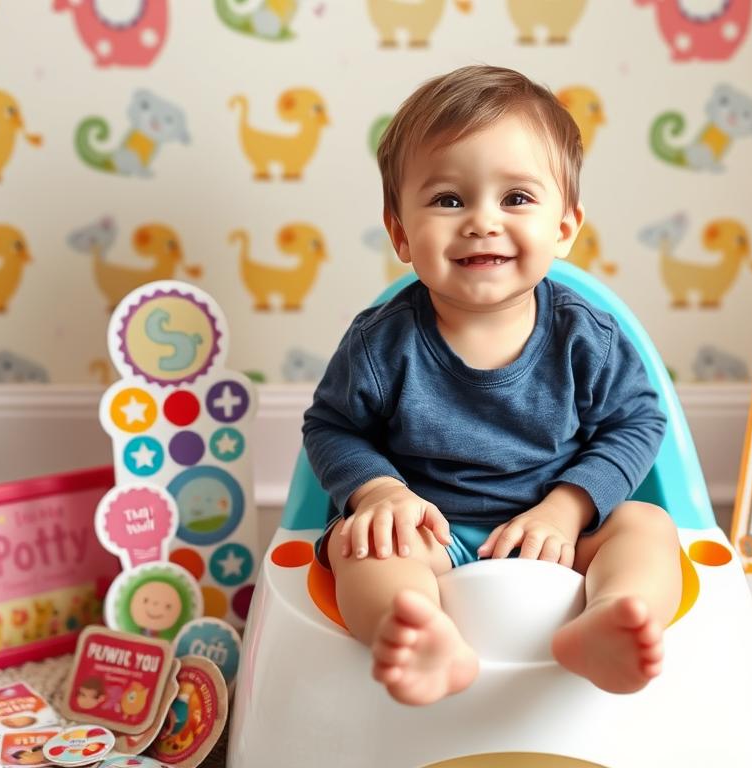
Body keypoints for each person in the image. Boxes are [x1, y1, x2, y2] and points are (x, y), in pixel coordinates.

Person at [302, 64, 681, 706]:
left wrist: (568, 508)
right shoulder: (380, 343)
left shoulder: (588, 337)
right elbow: (331, 427)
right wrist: (378, 494)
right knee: (362, 551)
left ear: (564, 227)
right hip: (428, 534)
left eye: (516, 198)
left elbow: (638, 424)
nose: (482, 221)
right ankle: (414, 632)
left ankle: (613, 617)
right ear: (400, 232)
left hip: (560, 538)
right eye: (449, 199)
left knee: (647, 526)